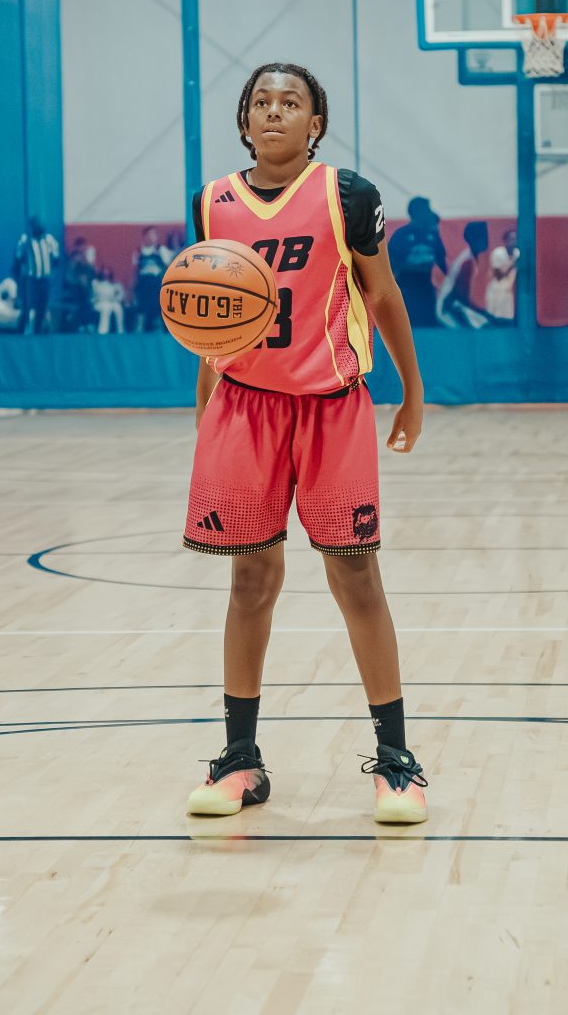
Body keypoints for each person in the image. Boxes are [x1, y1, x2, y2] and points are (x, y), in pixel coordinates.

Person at [184, 62, 428, 825]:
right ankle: (240, 759)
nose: (274, 112)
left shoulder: (346, 195)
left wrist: (413, 390)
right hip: (245, 408)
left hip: (331, 408)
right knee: (250, 580)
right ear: (244, 119)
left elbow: (381, 294)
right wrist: (205, 396)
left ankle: (397, 761)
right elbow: (213, 306)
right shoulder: (211, 201)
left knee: (356, 576)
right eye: (261, 101)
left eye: (290, 102)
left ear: (315, 123)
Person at [387, 196, 447, 326]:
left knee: (428, 326)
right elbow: (389, 262)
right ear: (415, 212)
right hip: (406, 289)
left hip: (426, 289)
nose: (429, 213)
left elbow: (442, 261)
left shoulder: (433, 235)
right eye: (426, 209)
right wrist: (410, 268)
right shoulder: (401, 235)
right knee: (408, 325)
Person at [436, 220, 490, 328]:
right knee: (485, 326)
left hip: (456, 306)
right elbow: (460, 298)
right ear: (471, 239)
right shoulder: (467, 262)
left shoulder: (470, 257)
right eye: (481, 236)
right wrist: (482, 312)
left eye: (486, 235)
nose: (486, 240)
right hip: (448, 309)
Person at [14, 217, 60, 333]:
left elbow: (56, 258)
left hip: (44, 279)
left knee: (42, 307)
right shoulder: (25, 240)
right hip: (30, 280)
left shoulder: (49, 240)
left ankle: (37, 332)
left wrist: (48, 271)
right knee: (27, 307)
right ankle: (21, 331)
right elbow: (18, 259)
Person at [133, 227, 170, 332]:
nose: (151, 237)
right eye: (149, 235)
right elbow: (135, 270)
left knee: (157, 307)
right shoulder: (138, 251)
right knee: (141, 307)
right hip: (143, 283)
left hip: (156, 283)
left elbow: (168, 266)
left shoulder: (161, 250)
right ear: (144, 236)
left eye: (153, 235)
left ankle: (158, 332)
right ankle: (139, 332)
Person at [485, 228, 519, 321]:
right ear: (505, 240)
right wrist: (513, 264)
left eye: (515, 238)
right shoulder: (498, 253)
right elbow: (499, 275)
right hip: (497, 290)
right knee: (496, 318)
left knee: (508, 317)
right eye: (511, 239)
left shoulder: (517, 253)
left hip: (509, 291)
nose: (513, 241)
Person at [92, 268, 126, 334]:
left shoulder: (115, 284)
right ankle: (103, 330)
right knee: (106, 307)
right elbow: (97, 294)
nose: (106, 275)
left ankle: (120, 330)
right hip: (99, 303)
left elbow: (120, 295)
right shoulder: (96, 283)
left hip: (112, 302)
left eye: (107, 274)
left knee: (118, 308)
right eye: (104, 274)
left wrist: (115, 298)